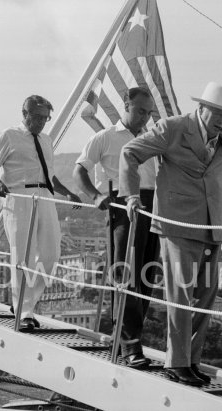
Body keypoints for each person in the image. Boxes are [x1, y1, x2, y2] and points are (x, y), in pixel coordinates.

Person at [119, 82, 222, 386]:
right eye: (217, 113)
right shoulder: (173, 129)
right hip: (177, 225)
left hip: (212, 227)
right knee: (181, 295)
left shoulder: (221, 141)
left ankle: (191, 361)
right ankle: (176, 364)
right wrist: (132, 196)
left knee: (205, 297)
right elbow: (129, 152)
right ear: (201, 108)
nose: (221, 120)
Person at [72, 87, 159, 368]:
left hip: (153, 206)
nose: (145, 117)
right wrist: (96, 197)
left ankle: (125, 338)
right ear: (126, 105)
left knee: (146, 276)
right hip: (122, 205)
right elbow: (79, 169)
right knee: (124, 273)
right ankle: (130, 345)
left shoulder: (152, 138)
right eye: (140, 110)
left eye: (149, 113)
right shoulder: (105, 137)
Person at [0, 95, 82, 331]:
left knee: (51, 255)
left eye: (45, 118)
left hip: (45, 197)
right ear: (24, 114)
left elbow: (49, 175)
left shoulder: (46, 140)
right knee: (22, 256)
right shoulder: (8, 135)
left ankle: (24, 304)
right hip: (18, 197)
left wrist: (68, 193)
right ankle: (24, 310)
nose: (41, 123)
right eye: (37, 117)